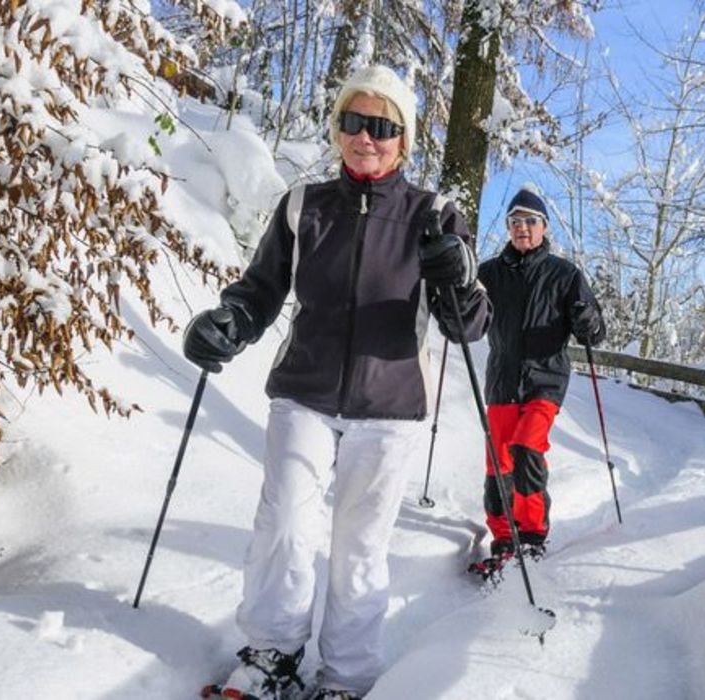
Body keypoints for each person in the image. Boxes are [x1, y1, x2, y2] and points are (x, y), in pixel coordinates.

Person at [183, 65, 490, 700]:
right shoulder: (304, 206)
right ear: (338, 128)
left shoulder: (433, 215)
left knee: (359, 549)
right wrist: (230, 321)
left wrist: (456, 275)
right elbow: (261, 287)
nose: (365, 137)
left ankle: (346, 678)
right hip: (305, 392)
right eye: (354, 121)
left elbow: (470, 324)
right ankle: (272, 653)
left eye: (382, 126)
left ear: (403, 139)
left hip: (389, 408)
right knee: (286, 523)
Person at [472, 186, 606, 570]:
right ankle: (502, 536)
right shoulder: (488, 274)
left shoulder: (564, 275)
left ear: (544, 227)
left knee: (527, 447)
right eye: (515, 222)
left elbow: (594, 334)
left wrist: (587, 320)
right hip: (501, 380)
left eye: (530, 221)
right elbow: (468, 322)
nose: (522, 229)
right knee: (497, 461)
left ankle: (530, 534)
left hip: (544, 379)